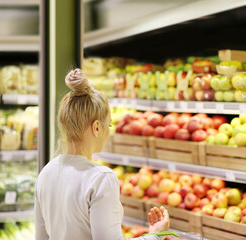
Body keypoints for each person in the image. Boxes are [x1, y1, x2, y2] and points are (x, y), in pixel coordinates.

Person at [35, 68, 170, 240]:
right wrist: (155, 235)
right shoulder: (101, 178)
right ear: (97, 127)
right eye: (109, 126)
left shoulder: (46, 172)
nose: (108, 132)